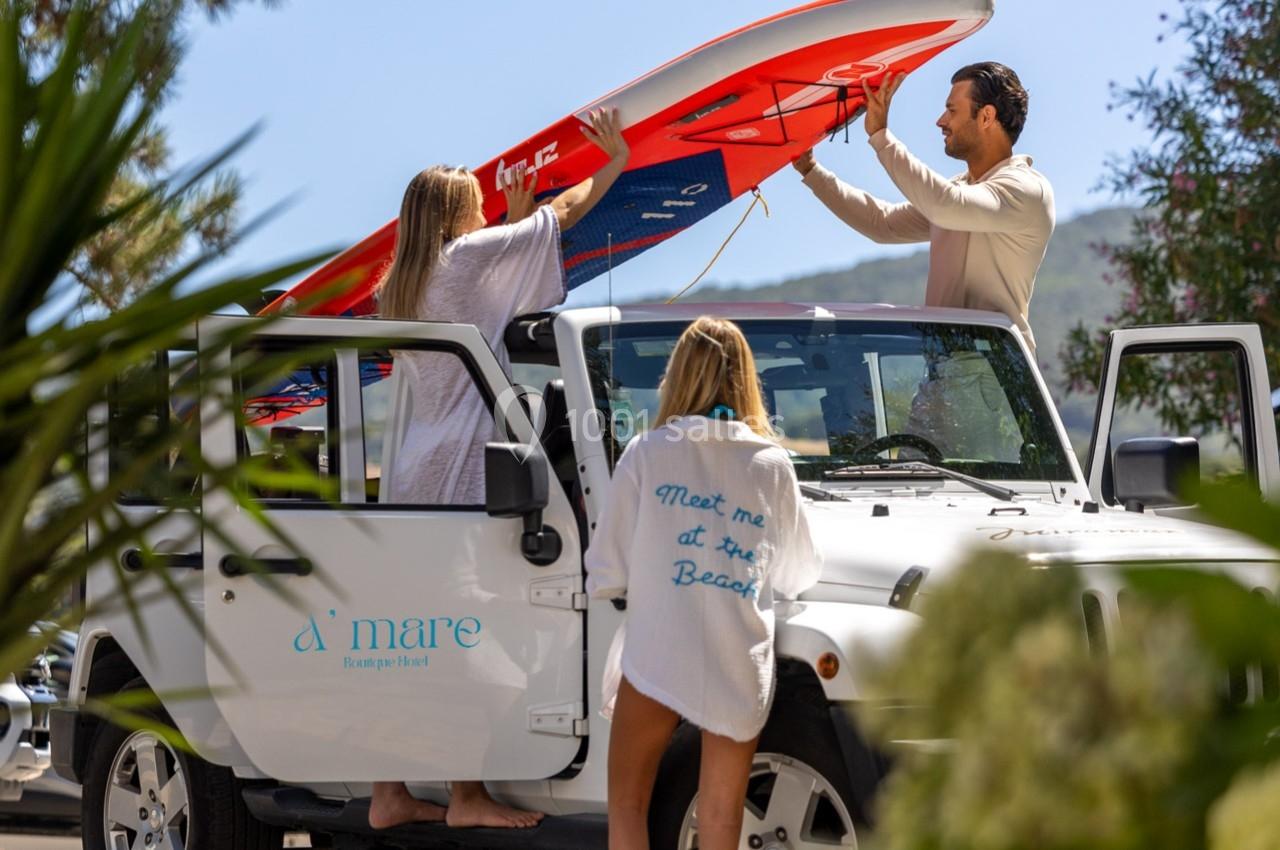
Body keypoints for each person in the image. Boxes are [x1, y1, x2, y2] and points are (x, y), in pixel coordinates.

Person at [368, 108, 629, 830]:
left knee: (409, 639)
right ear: (457, 217)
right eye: (478, 204)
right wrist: (612, 160)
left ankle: (388, 792)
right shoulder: (468, 258)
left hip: (414, 469)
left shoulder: (405, 280)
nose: (487, 210)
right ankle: (465, 795)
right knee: (466, 639)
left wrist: (512, 221)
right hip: (464, 470)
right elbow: (563, 213)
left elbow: (500, 291)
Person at [585, 317, 822, 850]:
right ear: (746, 379)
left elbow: (605, 571)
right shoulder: (772, 463)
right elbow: (798, 573)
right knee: (720, 821)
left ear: (678, 377)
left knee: (627, 807)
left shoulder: (647, 454)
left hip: (657, 655)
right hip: (738, 658)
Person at [793, 62, 1054, 352]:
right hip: (942, 366)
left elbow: (946, 206)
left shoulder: (1025, 189)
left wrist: (881, 136)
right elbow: (882, 223)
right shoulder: (961, 191)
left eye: (952, 110)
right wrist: (810, 169)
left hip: (994, 369)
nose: (941, 121)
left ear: (986, 117)